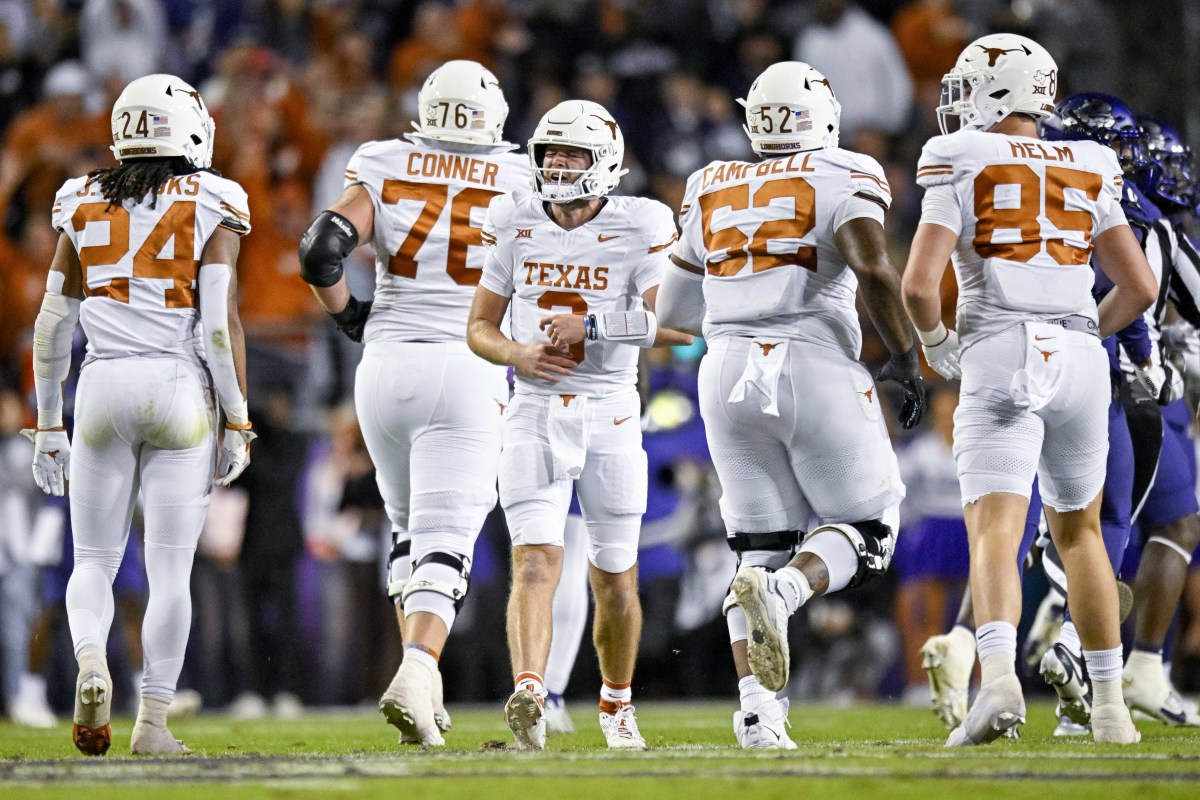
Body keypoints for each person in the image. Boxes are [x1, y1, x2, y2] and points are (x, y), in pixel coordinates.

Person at [655, 60, 926, 749]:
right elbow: (872, 266)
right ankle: (793, 593)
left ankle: (757, 714)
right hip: (811, 363)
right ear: (823, 114)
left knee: (758, 550)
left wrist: (741, 310)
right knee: (867, 528)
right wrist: (902, 354)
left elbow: (675, 309)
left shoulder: (710, 182)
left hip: (724, 372)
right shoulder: (847, 171)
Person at [901, 33, 1155, 746]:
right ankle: (1110, 708)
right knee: (1081, 536)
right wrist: (1085, 338)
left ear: (996, 88)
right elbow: (1139, 286)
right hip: (1077, 348)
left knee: (997, 529)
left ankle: (1001, 684)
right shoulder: (1091, 160)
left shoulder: (959, 155)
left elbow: (920, 285)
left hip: (1000, 345)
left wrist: (937, 346)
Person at [24, 73, 255, 755]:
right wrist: (237, 417)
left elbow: (50, 325)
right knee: (170, 571)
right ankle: (152, 722)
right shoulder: (215, 198)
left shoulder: (80, 197)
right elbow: (218, 326)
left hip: (100, 390)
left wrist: (46, 425)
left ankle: (92, 660)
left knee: (92, 560)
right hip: (179, 387)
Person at [298, 59, 526, 746]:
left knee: (406, 534)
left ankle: (420, 698)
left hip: (385, 366)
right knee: (448, 545)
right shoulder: (519, 175)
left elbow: (320, 250)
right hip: (468, 363)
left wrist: (349, 319)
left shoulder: (386, 159)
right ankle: (420, 666)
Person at [467, 98, 693, 750]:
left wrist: (593, 326)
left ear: (607, 162)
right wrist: (515, 352)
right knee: (534, 561)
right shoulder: (514, 217)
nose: (558, 165)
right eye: (550, 153)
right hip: (534, 406)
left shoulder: (641, 221)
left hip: (610, 409)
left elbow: (676, 326)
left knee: (614, 578)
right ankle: (532, 693)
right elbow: (479, 327)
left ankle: (616, 705)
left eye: (572, 154)